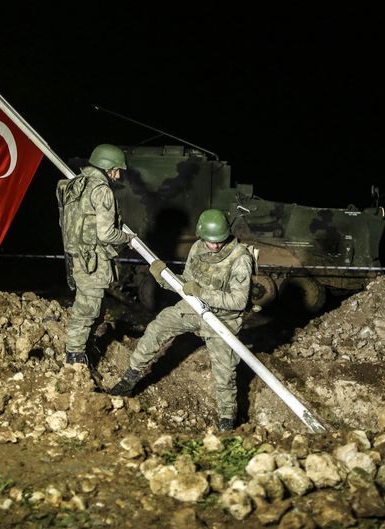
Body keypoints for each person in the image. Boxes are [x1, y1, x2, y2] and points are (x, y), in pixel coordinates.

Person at [109, 209, 253, 431]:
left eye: (219, 241)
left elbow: (239, 301)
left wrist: (202, 292)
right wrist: (164, 278)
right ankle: (129, 378)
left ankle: (226, 421)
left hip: (222, 319)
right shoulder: (197, 248)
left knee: (224, 373)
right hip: (194, 308)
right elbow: (187, 283)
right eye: (209, 241)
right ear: (201, 236)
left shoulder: (240, 258)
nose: (214, 246)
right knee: (158, 327)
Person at [58, 144, 134, 366]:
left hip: (77, 255)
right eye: (116, 170)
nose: (118, 175)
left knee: (95, 308)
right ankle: (75, 357)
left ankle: (84, 347)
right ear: (107, 167)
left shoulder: (76, 184)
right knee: (87, 309)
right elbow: (106, 233)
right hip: (92, 259)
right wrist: (126, 238)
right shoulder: (102, 190)